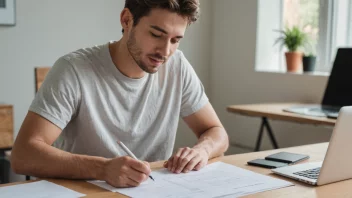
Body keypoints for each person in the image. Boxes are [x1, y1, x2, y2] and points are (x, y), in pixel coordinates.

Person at [11, 0, 229, 188]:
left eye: (175, 40)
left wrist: (201, 151)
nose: (165, 52)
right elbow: (23, 155)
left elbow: (216, 131)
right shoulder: (73, 69)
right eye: (156, 34)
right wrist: (103, 169)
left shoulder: (177, 66)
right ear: (126, 20)